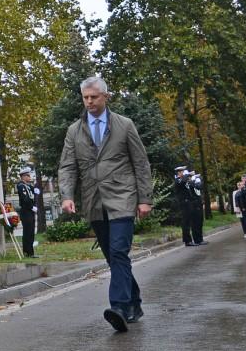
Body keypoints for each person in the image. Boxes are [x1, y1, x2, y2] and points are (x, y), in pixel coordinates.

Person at [58, 76, 153, 333]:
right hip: (94, 200)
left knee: (119, 251)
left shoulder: (124, 125)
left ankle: (119, 307)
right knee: (113, 257)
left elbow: (141, 164)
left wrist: (145, 199)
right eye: (85, 97)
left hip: (122, 196)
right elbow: (67, 167)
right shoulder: (74, 131)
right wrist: (66, 195)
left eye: (94, 97)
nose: (89, 102)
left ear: (105, 97)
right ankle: (134, 302)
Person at [173, 165, 205, 246]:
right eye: (182, 172)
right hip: (184, 203)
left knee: (192, 222)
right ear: (179, 173)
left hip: (189, 203)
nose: (184, 173)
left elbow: (197, 186)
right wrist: (188, 175)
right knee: (186, 222)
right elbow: (183, 181)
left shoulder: (184, 180)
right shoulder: (178, 180)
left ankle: (195, 240)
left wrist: (196, 177)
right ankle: (187, 241)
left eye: (184, 171)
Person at [15, 168, 38, 257]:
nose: (30, 177)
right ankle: (27, 252)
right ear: (23, 176)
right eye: (28, 175)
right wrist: (32, 207)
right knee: (27, 232)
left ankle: (31, 252)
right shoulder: (21, 186)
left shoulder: (28, 186)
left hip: (30, 211)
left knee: (31, 232)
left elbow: (34, 192)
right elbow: (25, 199)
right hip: (26, 211)